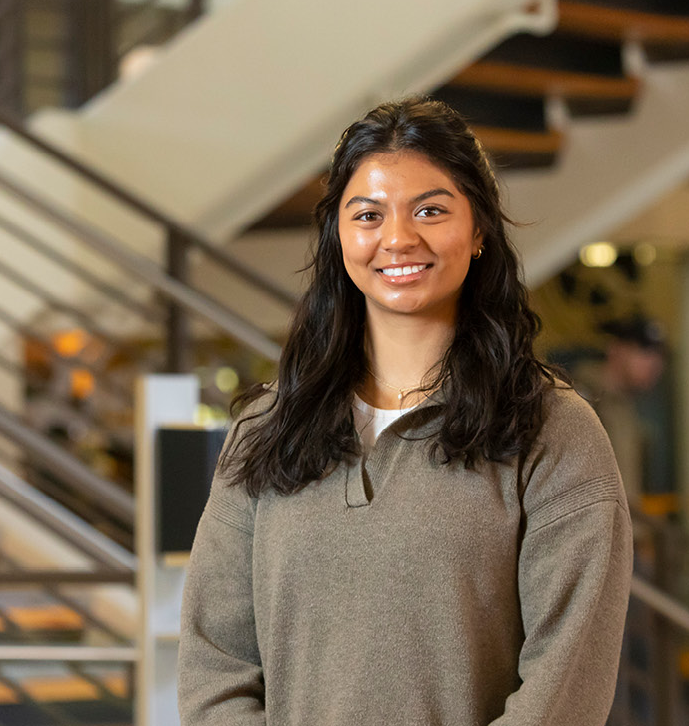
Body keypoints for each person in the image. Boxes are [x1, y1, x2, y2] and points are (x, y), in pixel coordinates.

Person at [177, 97, 633, 726]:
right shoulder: (266, 428)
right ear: (339, 238)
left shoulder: (554, 431)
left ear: (478, 232)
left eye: (431, 210)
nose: (398, 238)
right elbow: (213, 667)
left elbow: (567, 683)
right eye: (368, 214)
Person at [572, 314, 668, 510]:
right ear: (615, 350)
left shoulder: (626, 406)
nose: (654, 364)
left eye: (658, 355)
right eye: (644, 351)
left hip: (624, 532)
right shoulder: (582, 398)